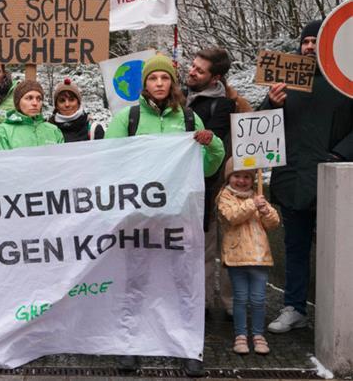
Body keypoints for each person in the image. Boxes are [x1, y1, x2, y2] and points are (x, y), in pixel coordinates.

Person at [105, 53, 224, 377]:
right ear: (144, 83)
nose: (159, 83)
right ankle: (129, 346)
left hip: (177, 215)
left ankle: (188, 347)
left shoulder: (187, 119)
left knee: (183, 280)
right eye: (153, 78)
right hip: (139, 216)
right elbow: (106, 160)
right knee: (135, 281)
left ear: (172, 82)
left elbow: (209, 166)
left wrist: (211, 144)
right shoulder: (127, 118)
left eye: (164, 78)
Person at [261, 20, 353, 333]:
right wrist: (270, 103)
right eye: (306, 42)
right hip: (292, 181)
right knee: (295, 248)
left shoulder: (346, 80)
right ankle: (294, 308)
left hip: (334, 181)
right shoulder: (286, 81)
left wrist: (341, 154)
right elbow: (260, 131)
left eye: (316, 41)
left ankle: (338, 313)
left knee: (340, 252)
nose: (310, 47)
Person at [185, 47, 247, 317]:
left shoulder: (221, 105)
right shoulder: (181, 96)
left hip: (208, 189)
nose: (191, 71)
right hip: (184, 189)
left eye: (199, 70)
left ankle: (208, 305)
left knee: (208, 250)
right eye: (192, 65)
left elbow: (212, 147)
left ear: (215, 79)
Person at [217, 160, 280, 356]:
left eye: (247, 177)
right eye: (237, 176)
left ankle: (258, 335)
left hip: (259, 257)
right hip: (237, 258)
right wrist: (253, 205)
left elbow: (273, 223)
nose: (242, 181)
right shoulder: (224, 197)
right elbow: (232, 216)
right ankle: (241, 335)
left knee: (259, 300)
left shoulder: (257, 196)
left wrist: (266, 211)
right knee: (241, 299)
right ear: (229, 177)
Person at [0, 80, 64, 150]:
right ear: (18, 102)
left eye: (39, 99)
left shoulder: (54, 131)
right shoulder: (3, 131)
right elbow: (1, 161)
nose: (35, 103)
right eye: (29, 98)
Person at [48, 77, 104, 142]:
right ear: (56, 105)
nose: (67, 104)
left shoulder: (94, 130)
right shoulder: (48, 131)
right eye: (62, 100)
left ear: (78, 103)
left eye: (71, 99)